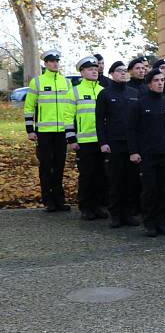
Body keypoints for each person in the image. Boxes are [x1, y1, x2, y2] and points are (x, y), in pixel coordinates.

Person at [24, 49, 76, 212]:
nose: (55, 64)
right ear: (45, 64)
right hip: (44, 132)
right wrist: (30, 129)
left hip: (62, 131)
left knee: (59, 166)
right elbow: (29, 106)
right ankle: (48, 200)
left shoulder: (66, 82)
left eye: (56, 61)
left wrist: (71, 131)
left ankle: (59, 200)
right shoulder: (37, 82)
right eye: (52, 61)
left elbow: (70, 108)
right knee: (46, 166)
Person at [128, 68, 165, 237]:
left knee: (164, 189)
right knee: (150, 189)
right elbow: (131, 129)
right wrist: (134, 151)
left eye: (162, 80)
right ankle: (150, 222)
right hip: (147, 154)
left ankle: (162, 221)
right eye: (156, 80)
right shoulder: (139, 104)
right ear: (149, 84)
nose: (160, 83)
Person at [96, 60, 141, 227]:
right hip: (114, 143)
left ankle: (128, 214)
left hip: (132, 144)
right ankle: (115, 215)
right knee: (116, 180)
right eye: (119, 71)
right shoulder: (105, 94)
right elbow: (100, 120)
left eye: (124, 71)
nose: (123, 73)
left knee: (131, 180)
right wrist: (103, 142)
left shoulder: (134, 93)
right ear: (112, 74)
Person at [68, 56, 107, 220]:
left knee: (101, 175)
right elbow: (67, 116)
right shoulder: (74, 91)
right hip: (84, 142)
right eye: (90, 69)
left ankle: (98, 206)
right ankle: (85, 207)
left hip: (101, 141)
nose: (94, 71)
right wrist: (71, 139)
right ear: (82, 72)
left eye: (95, 68)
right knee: (86, 176)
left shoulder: (102, 90)